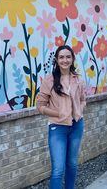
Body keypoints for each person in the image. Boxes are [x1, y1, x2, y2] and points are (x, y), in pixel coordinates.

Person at [37, 45, 87, 189]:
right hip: (57, 127)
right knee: (58, 169)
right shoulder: (49, 80)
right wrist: (59, 113)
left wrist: (79, 110)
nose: (65, 60)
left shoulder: (78, 79)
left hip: (77, 126)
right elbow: (40, 106)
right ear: (57, 60)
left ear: (72, 59)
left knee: (72, 164)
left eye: (68, 57)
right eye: (61, 57)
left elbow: (83, 99)